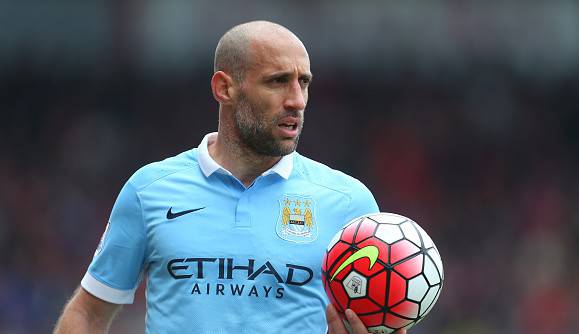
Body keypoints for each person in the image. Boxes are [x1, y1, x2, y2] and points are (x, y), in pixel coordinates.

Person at [54, 20, 407, 334]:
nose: (297, 100)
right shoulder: (149, 190)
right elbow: (88, 313)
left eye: (304, 82)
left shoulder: (349, 202)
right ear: (224, 88)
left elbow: (379, 322)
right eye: (278, 81)